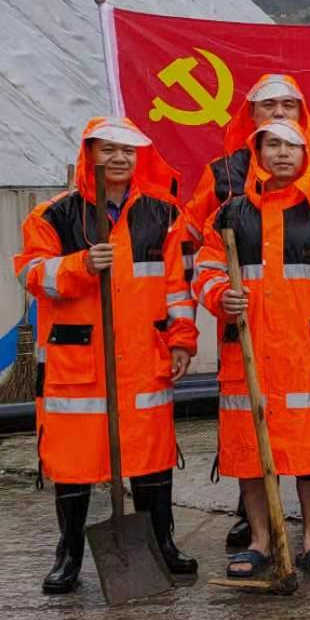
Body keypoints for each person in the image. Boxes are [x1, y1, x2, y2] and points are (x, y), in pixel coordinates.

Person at [16, 117, 198, 594]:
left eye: (128, 151)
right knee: (74, 459)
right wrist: (79, 265)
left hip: (143, 358)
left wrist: (181, 339)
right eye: (108, 149)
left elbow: (178, 287)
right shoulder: (53, 215)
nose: (119, 158)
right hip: (78, 364)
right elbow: (31, 274)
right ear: (89, 154)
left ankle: (162, 544)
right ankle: (69, 553)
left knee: (151, 454)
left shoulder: (163, 215)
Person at [184, 72, 310, 551]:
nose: (279, 114)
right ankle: (257, 528)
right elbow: (197, 246)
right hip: (249, 333)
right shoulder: (222, 175)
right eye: (268, 106)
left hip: (306, 337)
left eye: (289, 105)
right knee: (249, 433)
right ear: (251, 118)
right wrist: (216, 297)